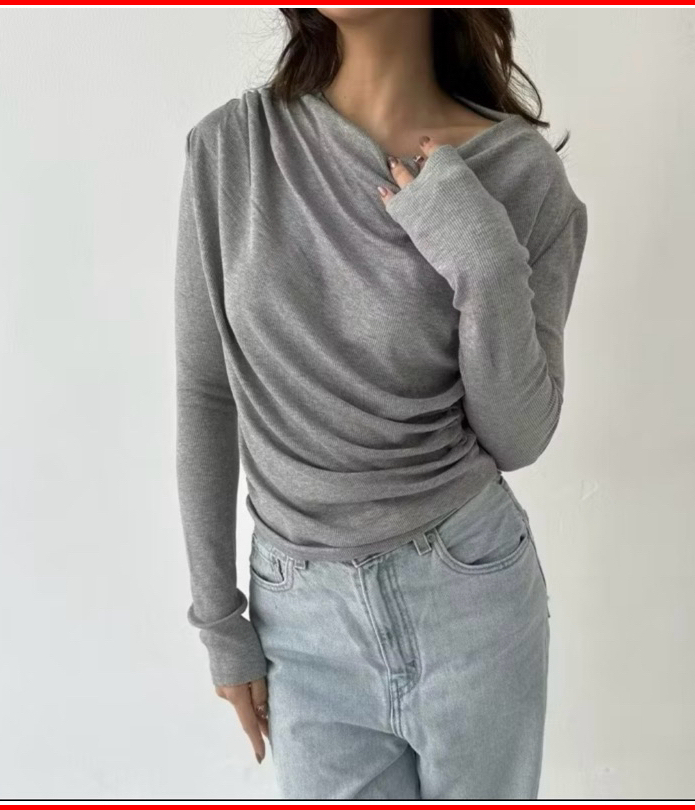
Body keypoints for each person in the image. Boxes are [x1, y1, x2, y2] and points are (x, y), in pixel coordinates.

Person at [174, 7, 588, 800]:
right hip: (299, 619)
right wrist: (220, 622)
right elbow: (205, 389)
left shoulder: (522, 175)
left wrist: (484, 262)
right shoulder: (231, 149)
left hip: (467, 591)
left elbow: (519, 436)